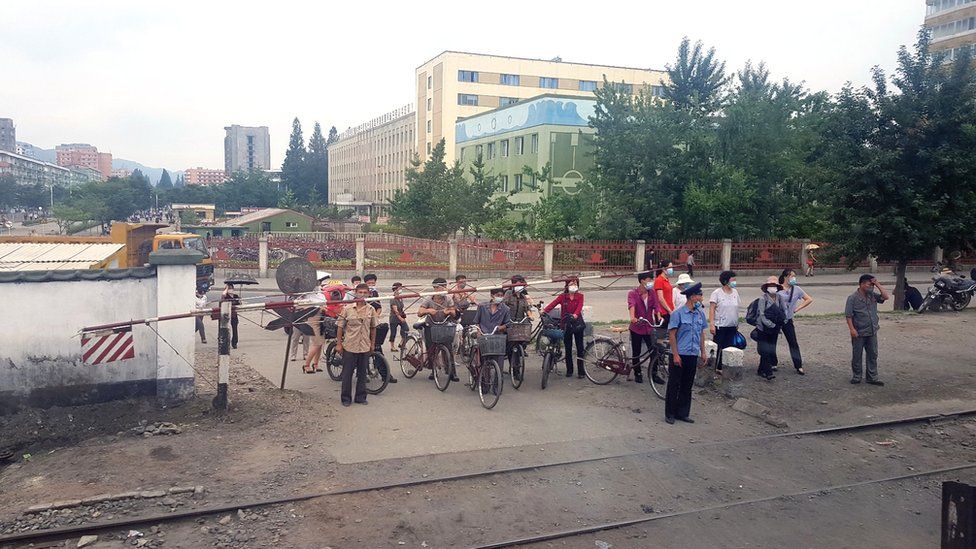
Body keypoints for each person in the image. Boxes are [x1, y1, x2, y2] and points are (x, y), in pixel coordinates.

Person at [666, 282, 707, 425]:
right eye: (699, 296)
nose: (701, 299)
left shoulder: (700, 314)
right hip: (679, 354)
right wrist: (675, 355)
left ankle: (682, 413)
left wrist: (703, 352)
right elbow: (672, 335)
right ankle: (670, 413)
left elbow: (701, 333)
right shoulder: (678, 313)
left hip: (692, 354)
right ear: (692, 297)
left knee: (687, 385)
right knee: (674, 384)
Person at [336, 283, 377, 406]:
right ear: (356, 293)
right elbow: (339, 327)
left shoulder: (371, 309)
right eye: (360, 292)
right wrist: (339, 344)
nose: (362, 295)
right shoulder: (347, 309)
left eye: (365, 293)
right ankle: (346, 399)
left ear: (369, 294)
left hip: (364, 346)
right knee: (347, 374)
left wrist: (372, 344)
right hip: (350, 346)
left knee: (362, 374)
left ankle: (360, 397)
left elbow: (373, 328)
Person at [845, 274, 889, 386]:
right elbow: (849, 315)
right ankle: (857, 376)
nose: (871, 287)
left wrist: (877, 284)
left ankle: (872, 377)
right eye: (869, 285)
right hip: (859, 331)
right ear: (862, 284)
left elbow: (886, 296)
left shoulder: (872, 295)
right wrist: (852, 329)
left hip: (872, 330)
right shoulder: (852, 298)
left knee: (873, 354)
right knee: (857, 355)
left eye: (872, 285)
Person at [544, 277, 586, 378]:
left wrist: (575, 315)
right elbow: (552, 304)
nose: (573, 286)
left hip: (577, 324)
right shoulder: (562, 297)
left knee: (580, 348)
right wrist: (544, 311)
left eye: (575, 284)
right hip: (566, 324)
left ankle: (581, 372)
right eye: (571, 284)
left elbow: (579, 308)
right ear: (567, 286)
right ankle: (569, 370)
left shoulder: (580, 296)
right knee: (568, 348)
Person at [418, 278, 459, 381]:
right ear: (435, 288)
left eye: (445, 286)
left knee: (448, 349)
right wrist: (428, 311)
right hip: (431, 326)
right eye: (442, 287)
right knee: (431, 349)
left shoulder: (448, 299)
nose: (444, 289)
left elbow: (454, 312)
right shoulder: (428, 299)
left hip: (444, 326)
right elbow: (419, 312)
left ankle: (451, 372)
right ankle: (433, 370)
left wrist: (449, 311)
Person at [627, 271, 664, 385]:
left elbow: (656, 306)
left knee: (654, 351)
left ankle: (654, 374)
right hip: (637, 327)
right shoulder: (633, 293)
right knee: (636, 352)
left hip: (649, 327)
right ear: (642, 281)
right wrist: (633, 317)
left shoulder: (651, 292)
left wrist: (659, 316)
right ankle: (637, 373)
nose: (651, 282)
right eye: (649, 280)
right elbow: (631, 305)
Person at [778, 269, 814, 375]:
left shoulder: (797, 289)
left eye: (794, 276)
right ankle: (773, 363)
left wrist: (797, 309)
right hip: (777, 320)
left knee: (793, 342)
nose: (793, 278)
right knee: (772, 341)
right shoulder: (778, 289)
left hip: (788, 320)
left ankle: (798, 365)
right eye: (791, 276)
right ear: (785, 277)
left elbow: (809, 299)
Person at [363, 273, 395, 383]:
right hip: (361, 325)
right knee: (362, 352)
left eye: (373, 283)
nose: (371, 285)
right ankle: (362, 374)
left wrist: (375, 316)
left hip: (373, 324)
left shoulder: (375, 293)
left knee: (377, 349)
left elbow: (379, 307)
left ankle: (385, 375)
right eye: (369, 283)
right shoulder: (359, 293)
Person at [472, 288, 512, 372]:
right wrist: (479, 332)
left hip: (497, 337)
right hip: (484, 336)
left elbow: (508, 324)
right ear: (492, 296)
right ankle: (482, 378)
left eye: (501, 296)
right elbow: (477, 321)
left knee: (499, 359)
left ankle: (498, 380)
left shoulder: (506, 309)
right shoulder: (482, 306)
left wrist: (500, 327)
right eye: (498, 295)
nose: (500, 297)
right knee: (482, 360)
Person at [708, 270, 740, 374]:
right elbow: (712, 309)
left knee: (728, 347)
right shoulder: (717, 293)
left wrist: (737, 322)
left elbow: (736, 308)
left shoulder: (735, 292)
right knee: (717, 347)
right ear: (726, 281)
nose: (735, 281)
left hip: (732, 325)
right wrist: (712, 324)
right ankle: (712, 367)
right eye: (733, 279)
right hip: (720, 325)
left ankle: (721, 367)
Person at [755, 276, 786, 381]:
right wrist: (771, 324)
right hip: (763, 328)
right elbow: (762, 315)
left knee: (770, 349)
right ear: (767, 287)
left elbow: (784, 310)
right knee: (765, 350)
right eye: (770, 286)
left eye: (774, 286)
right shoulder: (762, 299)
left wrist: (783, 321)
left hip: (775, 328)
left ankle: (761, 369)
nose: (772, 287)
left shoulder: (780, 298)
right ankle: (768, 372)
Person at [654, 260, 676, 326]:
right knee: (663, 334)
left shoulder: (666, 279)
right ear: (663, 269)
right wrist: (669, 310)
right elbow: (660, 298)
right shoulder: (659, 280)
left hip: (669, 310)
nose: (671, 269)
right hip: (663, 312)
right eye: (670, 267)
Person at [389, 283, 409, 352]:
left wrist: (403, 316)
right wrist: (400, 318)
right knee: (393, 332)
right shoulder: (393, 298)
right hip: (394, 318)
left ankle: (401, 343)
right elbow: (395, 310)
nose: (401, 290)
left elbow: (401, 308)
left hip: (401, 316)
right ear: (395, 290)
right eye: (399, 288)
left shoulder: (400, 298)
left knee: (406, 329)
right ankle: (392, 346)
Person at [220, 283, 240, 349]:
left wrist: (239, 301)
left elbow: (239, 304)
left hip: (234, 315)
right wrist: (225, 291)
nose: (230, 290)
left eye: (231, 288)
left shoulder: (236, 296)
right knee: (225, 329)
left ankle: (234, 343)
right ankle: (225, 342)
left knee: (235, 329)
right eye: (229, 288)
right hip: (226, 315)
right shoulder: (225, 296)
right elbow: (222, 301)